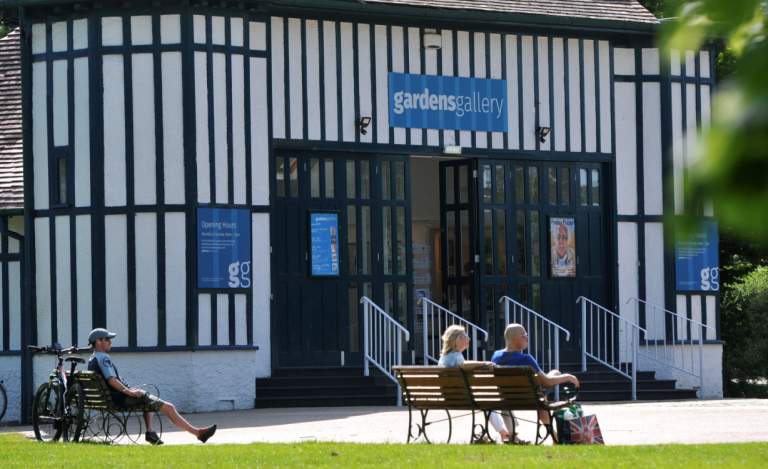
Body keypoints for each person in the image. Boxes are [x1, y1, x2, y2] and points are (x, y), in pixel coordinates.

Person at [87, 328, 217, 445]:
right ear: (98, 341)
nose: (110, 342)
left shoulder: (92, 359)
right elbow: (111, 380)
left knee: (147, 396)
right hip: (119, 399)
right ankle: (198, 433)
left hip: (109, 398)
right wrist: (129, 392)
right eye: (108, 339)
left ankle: (150, 432)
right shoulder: (103, 358)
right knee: (168, 407)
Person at [491, 323, 580, 440]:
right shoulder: (526, 359)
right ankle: (554, 436)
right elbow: (546, 382)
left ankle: (552, 435)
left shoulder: (496, 356)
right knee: (551, 381)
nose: (527, 337)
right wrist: (568, 377)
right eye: (524, 335)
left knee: (544, 392)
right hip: (529, 398)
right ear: (514, 338)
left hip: (506, 398)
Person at [437, 325, 517, 443]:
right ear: (456, 340)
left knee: (489, 400)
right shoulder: (456, 357)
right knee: (493, 401)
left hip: (451, 397)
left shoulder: (447, 357)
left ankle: (504, 432)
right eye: (465, 336)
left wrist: (481, 363)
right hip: (464, 398)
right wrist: (482, 364)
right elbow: (463, 365)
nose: (468, 338)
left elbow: (463, 363)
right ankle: (506, 433)